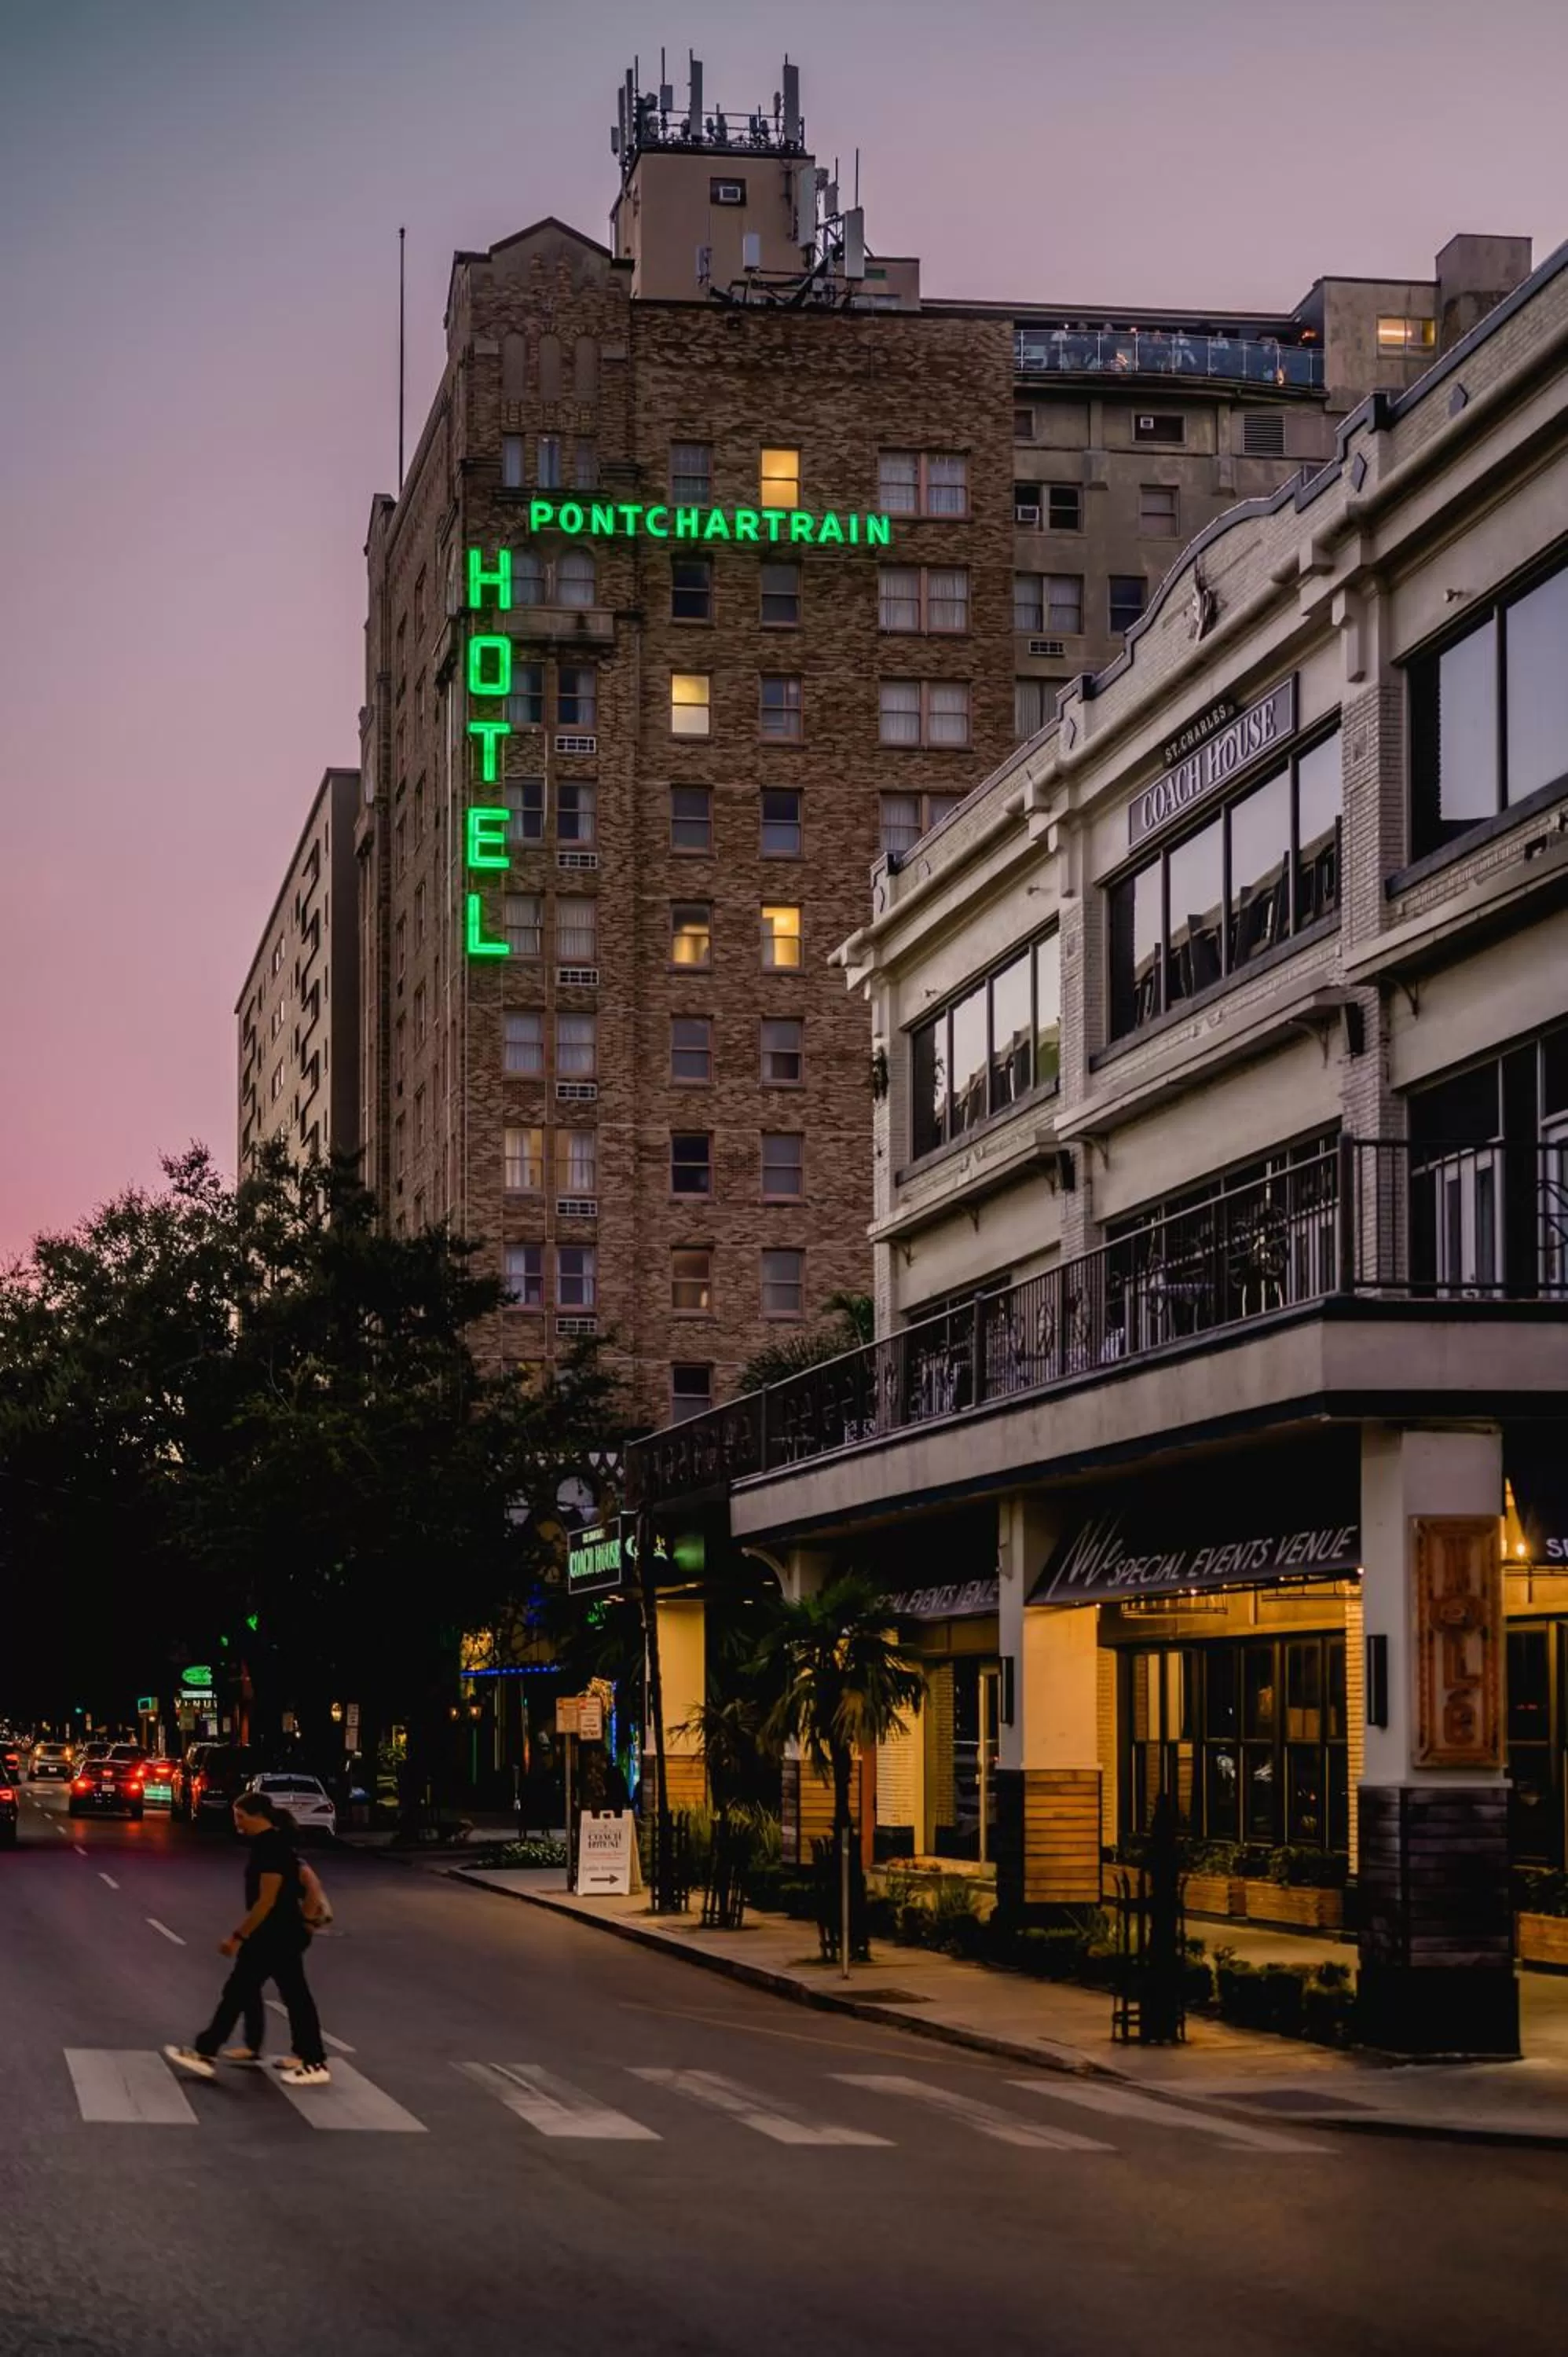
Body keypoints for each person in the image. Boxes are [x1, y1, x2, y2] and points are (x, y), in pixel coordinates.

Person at [165, 1790, 330, 2087]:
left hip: (273, 1934)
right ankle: (309, 2057)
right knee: (282, 1995)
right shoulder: (275, 1843)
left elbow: (266, 1901)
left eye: (241, 1817)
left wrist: (238, 1936)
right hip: (281, 1933)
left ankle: (207, 2051)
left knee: (244, 1992)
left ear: (257, 1817)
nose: (237, 1823)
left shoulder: (270, 1847)